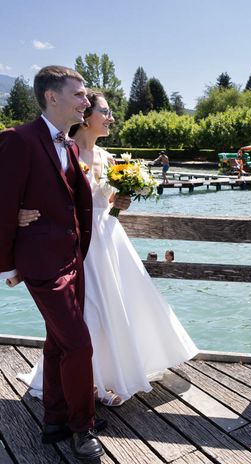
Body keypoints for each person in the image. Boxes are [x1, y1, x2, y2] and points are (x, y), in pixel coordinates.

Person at [16, 91, 198, 416]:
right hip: (78, 246)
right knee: (87, 314)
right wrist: (20, 215)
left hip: (110, 242)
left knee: (116, 308)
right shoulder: (62, 153)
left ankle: (111, 375)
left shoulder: (110, 159)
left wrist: (121, 204)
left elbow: (110, 206)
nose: (111, 117)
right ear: (86, 117)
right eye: (106, 111)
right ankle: (91, 384)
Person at [0, 66, 106, 460]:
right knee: (79, 343)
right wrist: (7, 265)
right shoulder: (18, 140)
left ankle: (55, 419)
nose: (86, 101)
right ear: (52, 97)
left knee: (57, 342)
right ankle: (84, 426)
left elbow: (72, 201)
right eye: (79, 94)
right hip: (41, 263)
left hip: (72, 258)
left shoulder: (72, 146)